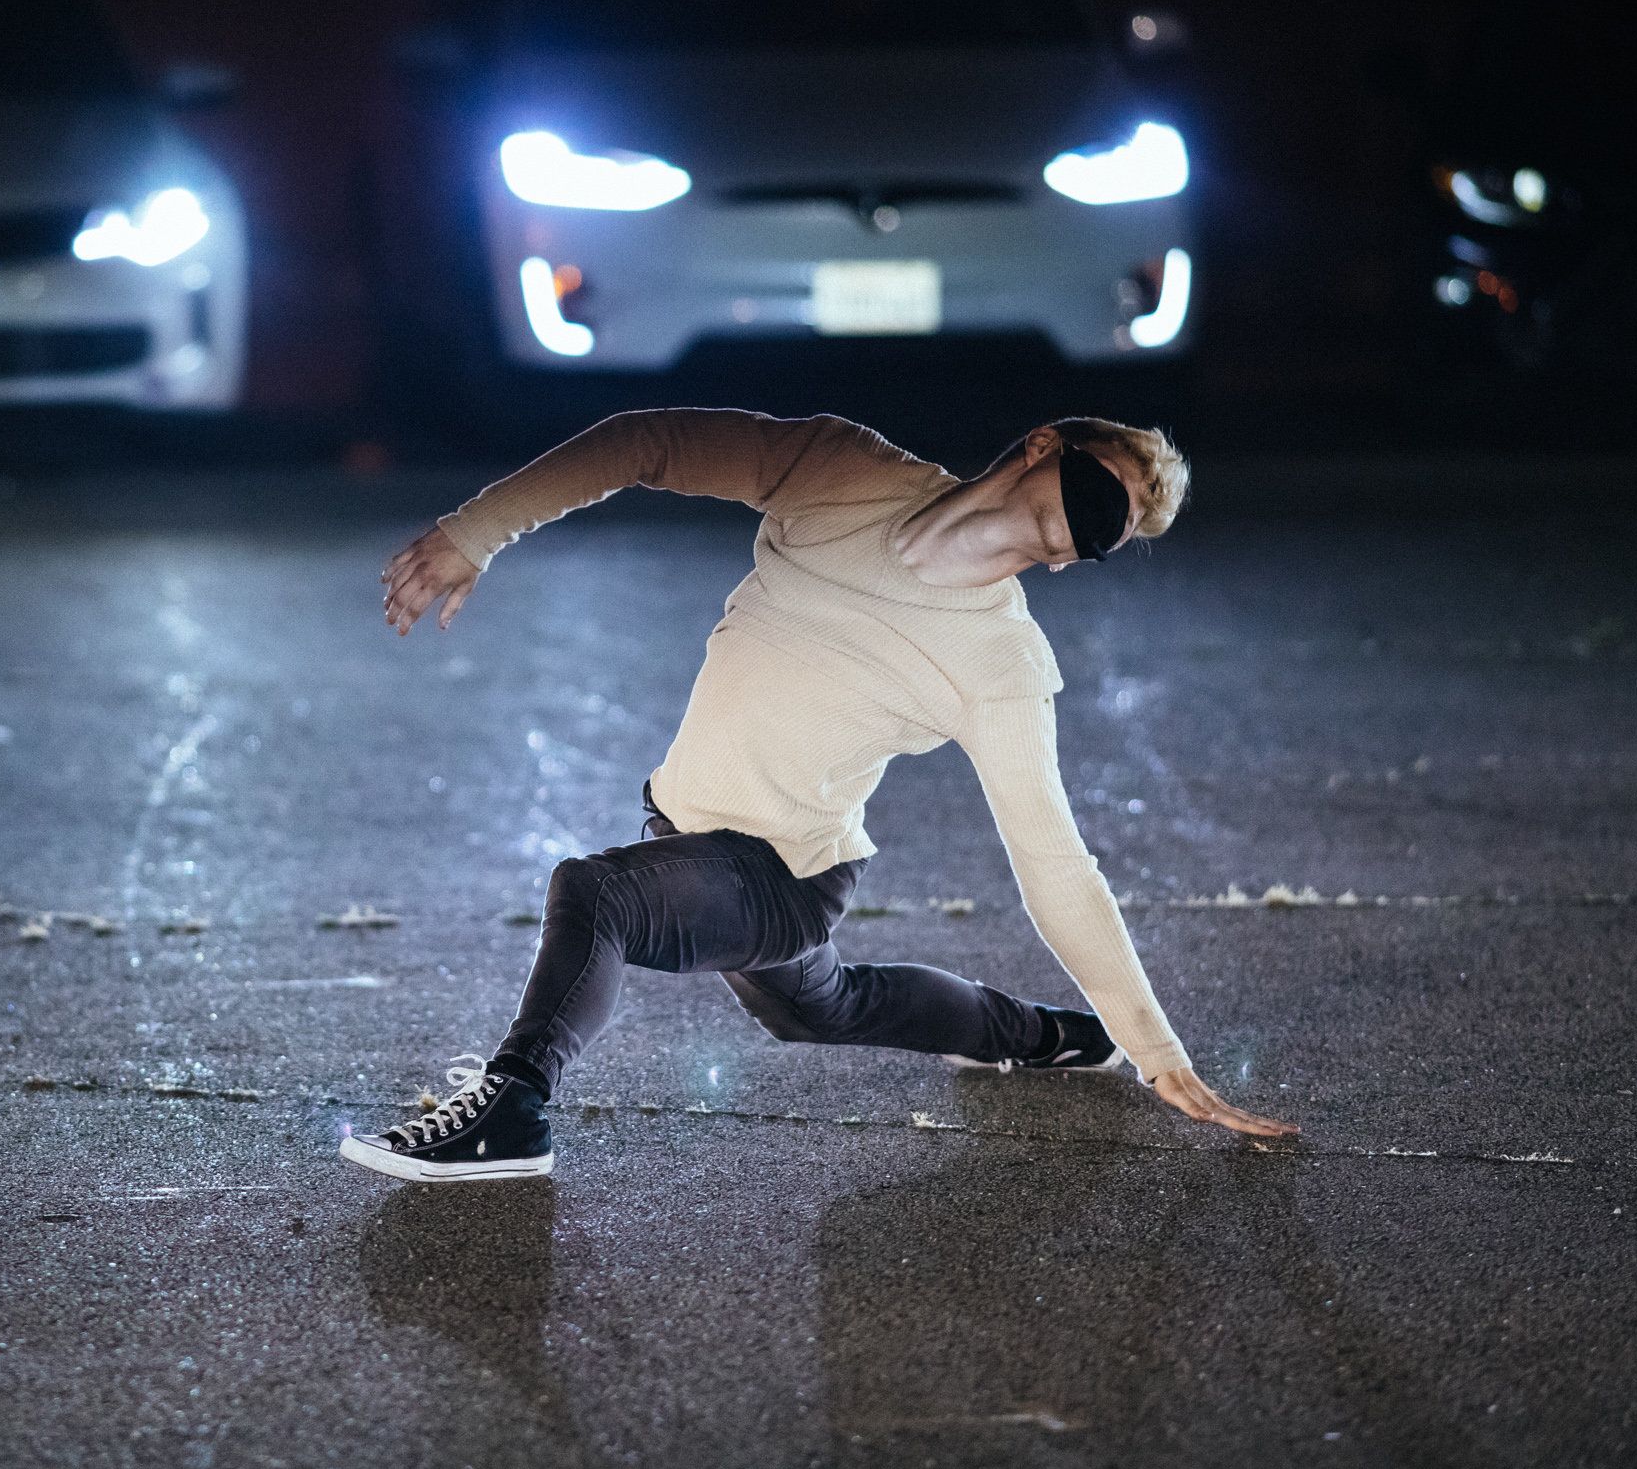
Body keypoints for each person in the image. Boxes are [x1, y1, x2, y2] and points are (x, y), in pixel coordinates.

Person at [344, 408, 1296, 1183]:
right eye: (1095, 497)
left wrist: (1160, 1046)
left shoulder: (1003, 660)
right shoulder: (844, 470)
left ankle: (513, 1111)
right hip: (696, 834)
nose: (1082, 536)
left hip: (776, 876)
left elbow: (1057, 863)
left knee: (599, 894)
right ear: (1045, 446)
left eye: (1104, 540)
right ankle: (1047, 1036)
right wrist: (474, 532)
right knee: (822, 1006)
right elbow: (646, 442)